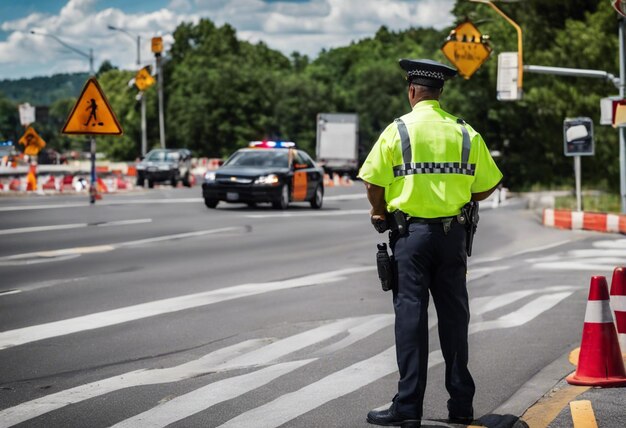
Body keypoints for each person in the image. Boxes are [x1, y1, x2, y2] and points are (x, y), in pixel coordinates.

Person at [359, 58, 502, 427]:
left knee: (411, 318)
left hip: (411, 237)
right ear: (440, 93)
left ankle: (407, 408)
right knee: (455, 319)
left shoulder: (398, 131)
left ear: (412, 91)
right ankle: (461, 407)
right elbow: (486, 185)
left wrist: (379, 211)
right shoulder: (465, 132)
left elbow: (373, 182)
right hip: (453, 236)